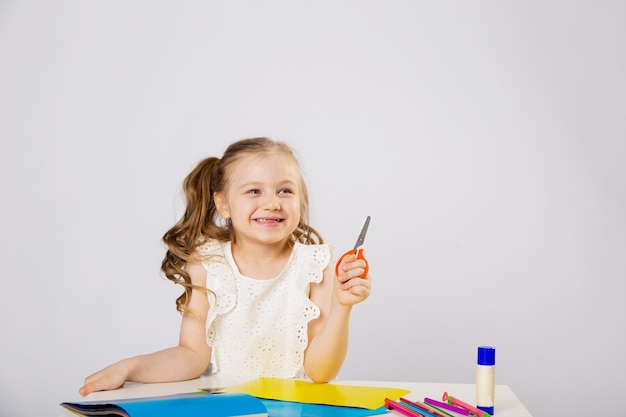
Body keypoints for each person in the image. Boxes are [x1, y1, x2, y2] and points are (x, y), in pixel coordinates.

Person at [79, 137, 372, 396]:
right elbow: (191, 355)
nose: (272, 203)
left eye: (285, 191)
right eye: (254, 191)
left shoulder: (315, 266)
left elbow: (321, 373)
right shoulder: (208, 264)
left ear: (301, 200)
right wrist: (129, 368)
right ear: (223, 204)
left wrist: (342, 306)